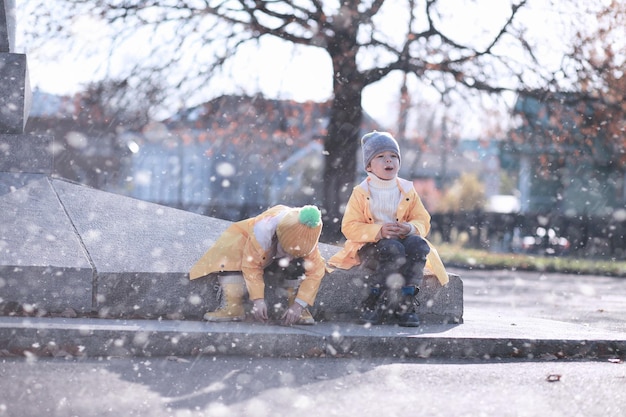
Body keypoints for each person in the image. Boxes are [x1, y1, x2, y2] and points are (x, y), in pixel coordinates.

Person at [329, 131, 448, 327]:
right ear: (369, 165)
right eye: (381, 157)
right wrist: (379, 231)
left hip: (401, 243)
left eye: (393, 156)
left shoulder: (407, 190)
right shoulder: (361, 192)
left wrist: (409, 228)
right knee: (393, 248)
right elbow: (349, 227)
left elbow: (423, 220)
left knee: (418, 245)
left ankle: (406, 300)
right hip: (372, 247)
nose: (388, 161)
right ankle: (374, 298)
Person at [189, 205, 325, 326]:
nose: (290, 256)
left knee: (302, 262)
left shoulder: (308, 236)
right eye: (287, 250)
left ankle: (294, 305)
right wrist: (258, 300)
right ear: (279, 235)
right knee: (231, 252)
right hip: (251, 251)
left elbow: (316, 272)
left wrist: (299, 305)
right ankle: (233, 307)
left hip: (274, 260)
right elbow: (251, 265)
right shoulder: (262, 230)